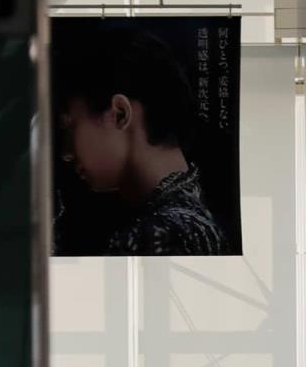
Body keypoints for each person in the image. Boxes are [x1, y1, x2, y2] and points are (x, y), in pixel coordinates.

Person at [54, 27, 226, 257]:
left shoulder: (156, 236)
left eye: (69, 125)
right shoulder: (193, 219)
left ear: (120, 114)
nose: (66, 152)